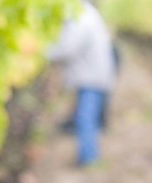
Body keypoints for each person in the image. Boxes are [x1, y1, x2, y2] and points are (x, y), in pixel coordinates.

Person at [47, 0, 116, 166]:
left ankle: (88, 157)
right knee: (86, 116)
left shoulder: (82, 16)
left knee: (85, 117)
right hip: (94, 74)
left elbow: (68, 47)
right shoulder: (88, 14)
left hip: (91, 77)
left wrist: (46, 52)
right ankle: (88, 155)